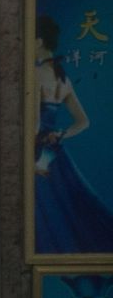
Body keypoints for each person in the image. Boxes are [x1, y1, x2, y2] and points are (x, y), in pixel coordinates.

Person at [33, 14, 113, 255]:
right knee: (72, 211)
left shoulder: (36, 74)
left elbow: (34, 124)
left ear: (38, 41)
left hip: (37, 154)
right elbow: (83, 122)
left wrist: (30, 156)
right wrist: (61, 133)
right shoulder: (63, 78)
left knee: (47, 215)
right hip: (56, 153)